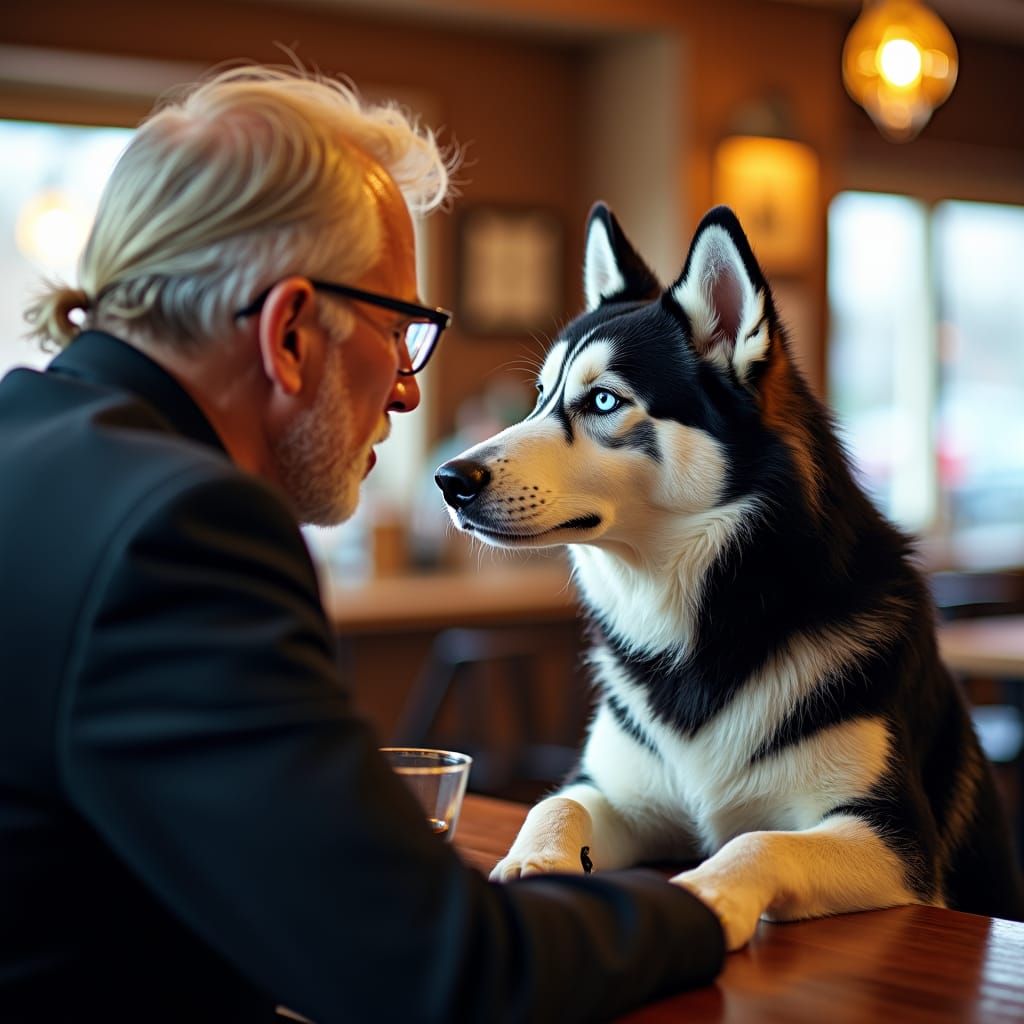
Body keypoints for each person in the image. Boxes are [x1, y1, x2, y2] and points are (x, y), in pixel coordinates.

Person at [0, 64, 723, 1024]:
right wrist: (702, 906)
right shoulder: (182, 530)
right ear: (292, 331)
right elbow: (435, 970)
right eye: (400, 330)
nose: (409, 391)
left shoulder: (24, 439)